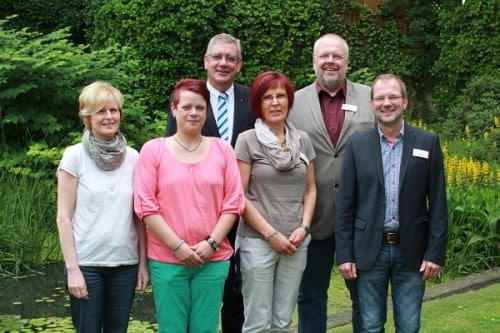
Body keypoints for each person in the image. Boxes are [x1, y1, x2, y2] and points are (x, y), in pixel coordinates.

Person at [335, 73, 448, 332]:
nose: (387, 103)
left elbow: (439, 203)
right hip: (368, 251)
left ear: (405, 102)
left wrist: (435, 252)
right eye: (381, 98)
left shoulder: (427, 142)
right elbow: (345, 206)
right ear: (372, 104)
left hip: (413, 249)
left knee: (409, 326)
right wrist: (344, 254)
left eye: (393, 97)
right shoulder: (356, 145)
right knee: (371, 325)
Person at [134, 78, 245, 332]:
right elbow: (146, 206)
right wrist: (178, 247)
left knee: (205, 328)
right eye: (186, 107)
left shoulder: (222, 149)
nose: (194, 113)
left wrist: (211, 244)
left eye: (200, 107)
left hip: (213, 260)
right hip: (168, 260)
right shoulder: (154, 151)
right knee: (172, 328)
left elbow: (234, 202)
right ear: (174, 109)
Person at [166, 32, 255, 332]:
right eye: (217, 56)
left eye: (231, 58)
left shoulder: (251, 99)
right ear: (206, 61)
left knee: (236, 298)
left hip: (240, 216)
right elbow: (171, 157)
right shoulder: (188, 100)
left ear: (239, 64)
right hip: (193, 220)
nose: (223, 63)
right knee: (191, 305)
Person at [288, 33, 375, 332]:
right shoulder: (292, 102)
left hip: (362, 218)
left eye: (337, 56)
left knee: (365, 296)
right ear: (314, 61)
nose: (330, 61)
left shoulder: (371, 97)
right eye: (324, 55)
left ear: (347, 62)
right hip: (313, 217)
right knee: (310, 295)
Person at [56, 81, 149, 333]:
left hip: (125, 265)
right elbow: (63, 218)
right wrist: (72, 270)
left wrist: (143, 263)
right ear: (87, 117)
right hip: (87, 264)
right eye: (101, 111)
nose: (109, 117)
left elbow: (139, 216)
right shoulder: (74, 156)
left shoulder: (134, 157)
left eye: (114, 110)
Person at [234, 71, 317, 332]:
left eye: (281, 96)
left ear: (289, 101)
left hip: (296, 242)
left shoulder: (302, 140)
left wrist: (303, 229)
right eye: (267, 97)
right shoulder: (247, 140)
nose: (275, 102)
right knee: (257, 322)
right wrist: (271, 235)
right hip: (258, 242)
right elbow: (240, 196)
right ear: (257, 103)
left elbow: (311, 190)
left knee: (282, 320)